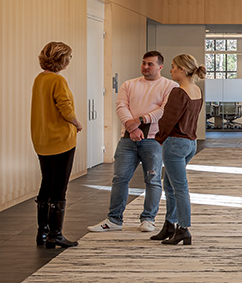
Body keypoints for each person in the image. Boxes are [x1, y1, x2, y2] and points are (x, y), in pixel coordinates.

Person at [88, 51, 177, 233]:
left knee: (152, 180)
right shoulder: (129, 84)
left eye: (150, 64)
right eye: (143, 63)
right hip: (128, 140)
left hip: (154, 140)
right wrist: (132, 128)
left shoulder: (170, 86)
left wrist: (141, 120)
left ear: (160, 67)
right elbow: (121, 107)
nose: (145, 67)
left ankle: (148, 219)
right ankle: (114, 220)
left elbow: (164, 110)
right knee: (119, 179)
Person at [31, 42, 82, 248]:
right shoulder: (57, 80)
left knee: (46, 184)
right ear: (62, 59)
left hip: (42, 140)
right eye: (68, 57)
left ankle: (42, 232)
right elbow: (65, 108)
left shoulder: (39, 79)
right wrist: (77, 123)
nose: (69, 60)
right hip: (61, 140)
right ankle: (56, 234)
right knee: (59, 187)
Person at [151, 54, 205, 246]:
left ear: (182, 70)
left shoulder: (178, 92)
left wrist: (158, 138)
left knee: (180, 188)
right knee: (170, 185)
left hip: (175, 143)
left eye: (173, 67)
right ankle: (169, 225)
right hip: (190, 143)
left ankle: (183, 228)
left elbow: (167, 121)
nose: (170, 70)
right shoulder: (196, 90)